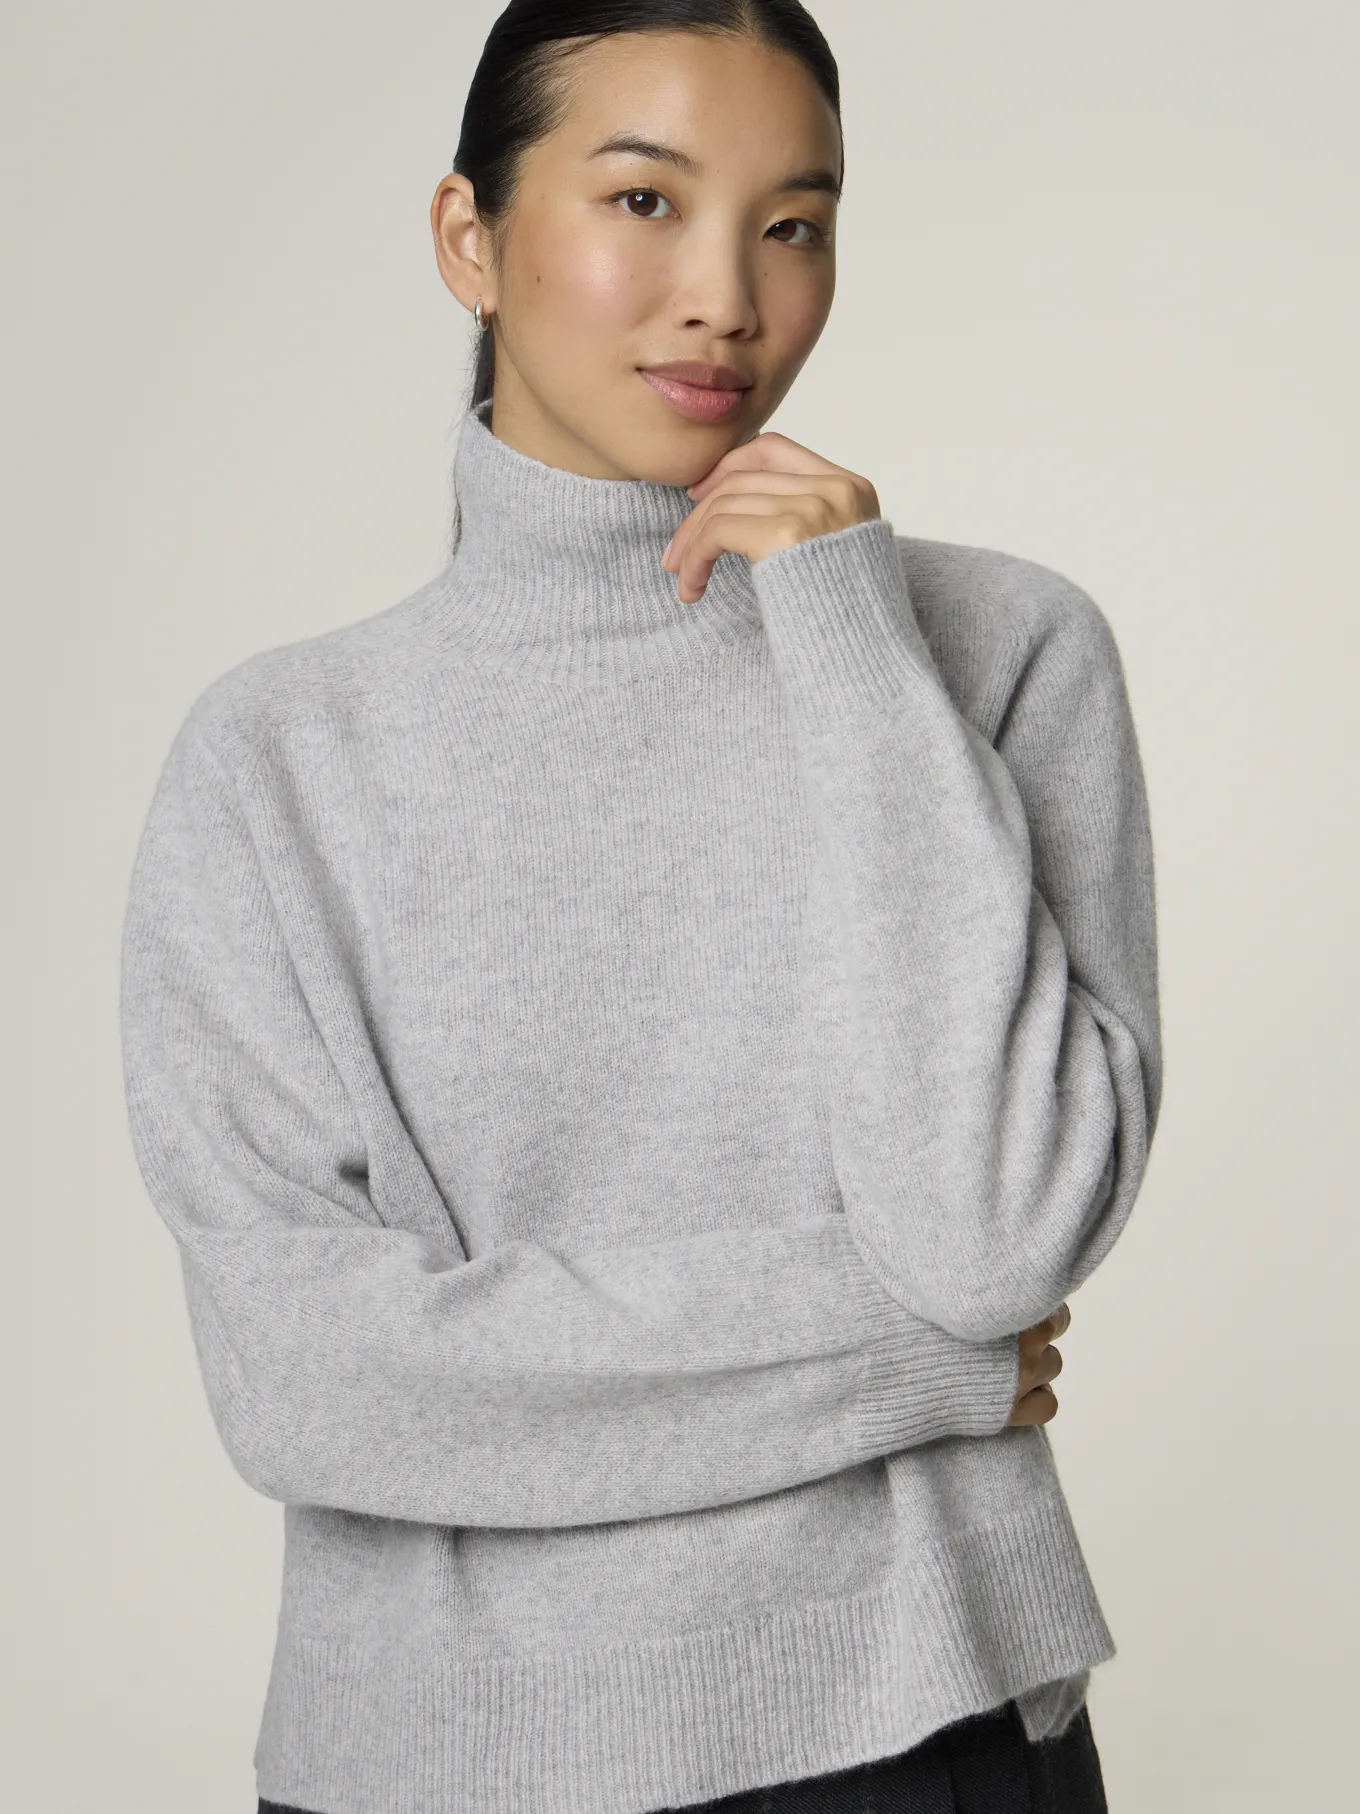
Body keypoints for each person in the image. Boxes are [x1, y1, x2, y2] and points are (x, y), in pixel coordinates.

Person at [118, 3, 1161, 1811]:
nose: (727, 299)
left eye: (792, 223)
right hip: (440, 1759)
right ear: (470, 237)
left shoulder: (998, 652)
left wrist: (850, 639)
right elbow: (315, 1385)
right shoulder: (279, 759)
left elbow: (997, 1236)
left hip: (919, 1726)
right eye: (643, 201)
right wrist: (906, 1355)